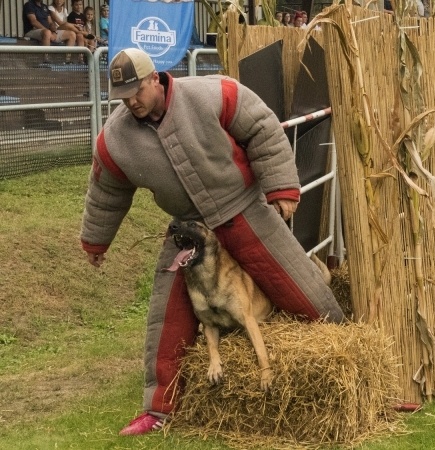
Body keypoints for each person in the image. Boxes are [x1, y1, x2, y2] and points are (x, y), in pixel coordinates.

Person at [81, 48, 345, 436]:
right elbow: (106, 191)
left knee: (302, 288)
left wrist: (281, 186)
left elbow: (262, 128)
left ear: (155, 78)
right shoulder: (115, 141)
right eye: (123, 97)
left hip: (243, 207)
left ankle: (351, 368)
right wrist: (95, 241)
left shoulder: (213, 93)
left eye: (137, 91)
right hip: (188, 226)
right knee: (166, 319)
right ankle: (158, 409)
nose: (132, 102)